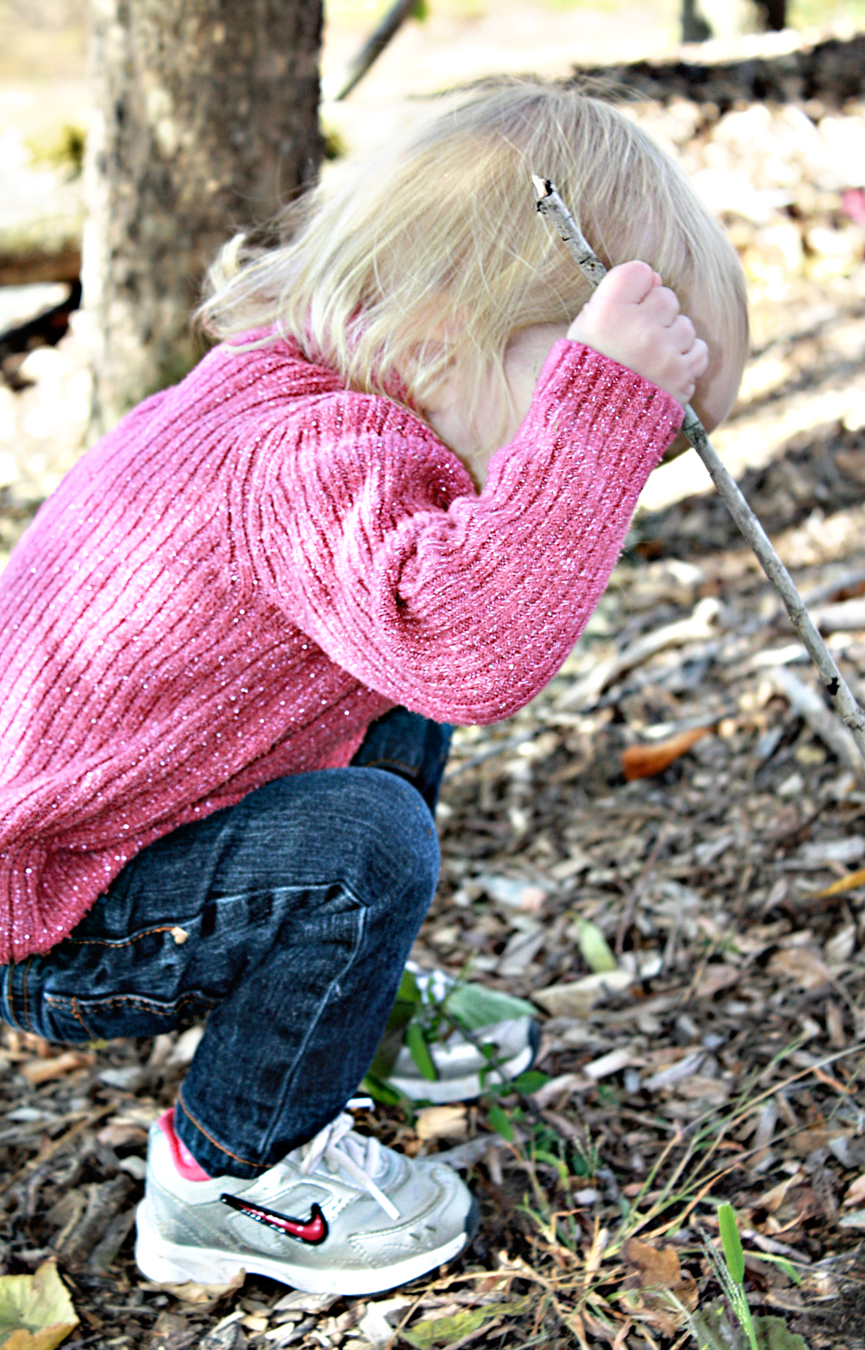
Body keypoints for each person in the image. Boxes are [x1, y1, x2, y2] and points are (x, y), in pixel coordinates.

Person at [0, 81, 747, 1294]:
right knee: (366, 843)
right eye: (576, 401)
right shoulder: (307, 456)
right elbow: (476, 652)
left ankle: (337, 1006)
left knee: (397, 690)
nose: (603, 468)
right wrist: (602, 407)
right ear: (441, 332)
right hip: (54, 912)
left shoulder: (306, 400)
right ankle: (235, 1169)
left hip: (105, 840)